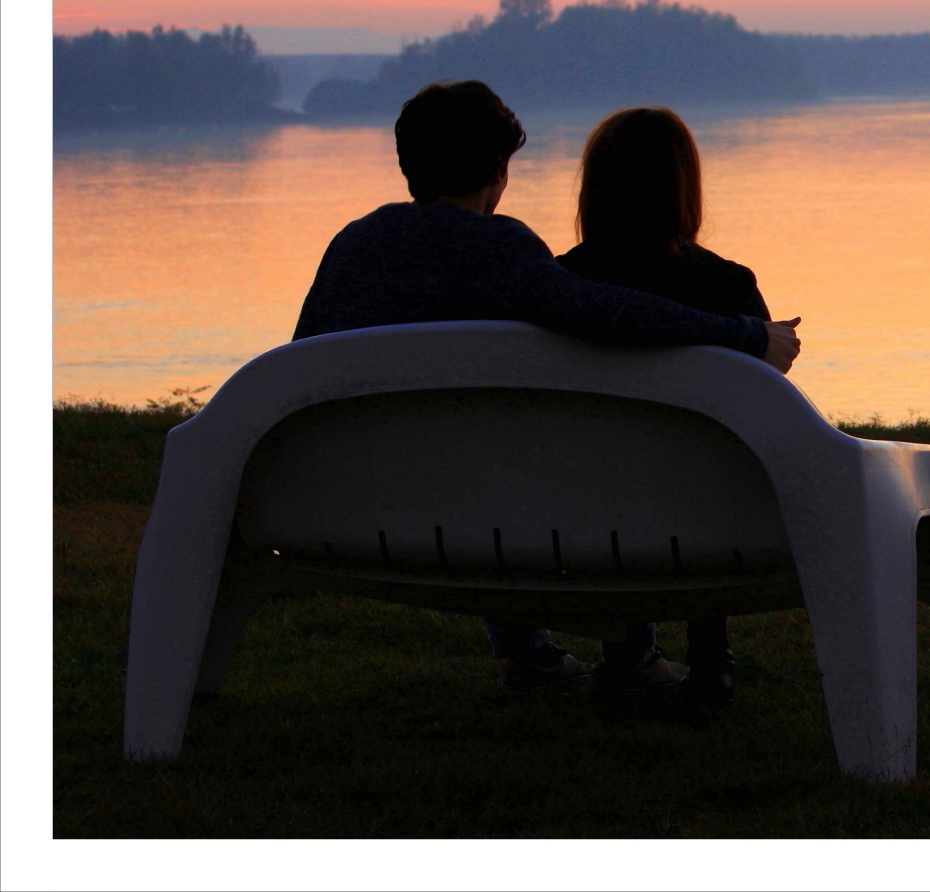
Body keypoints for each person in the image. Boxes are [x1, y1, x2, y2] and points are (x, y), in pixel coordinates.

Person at [292, 81, 801, 697]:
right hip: (500, 519)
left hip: (350, 507)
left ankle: (530, 657)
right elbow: (601, 312)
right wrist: (744, 336)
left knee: (486, 453)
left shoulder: (351, 247)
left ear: (408, 165)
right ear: (499, 172)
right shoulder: (498, 249)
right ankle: (631, 658)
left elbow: (299, 364)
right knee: (555, 451)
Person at [557, 107, 792, 707]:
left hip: (574, 506)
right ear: (685, 188)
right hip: (714, 514)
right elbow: (768, 406)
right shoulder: (728, 289)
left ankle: (625, 655)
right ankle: (711, 654)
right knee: (707, 464)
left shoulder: (561, 285)